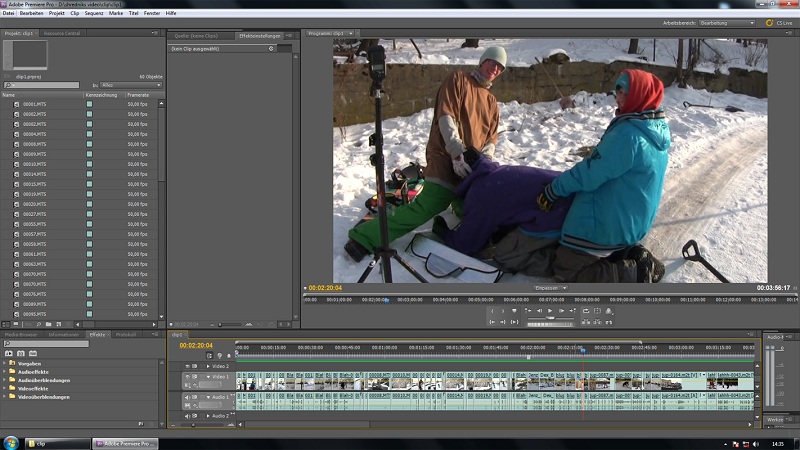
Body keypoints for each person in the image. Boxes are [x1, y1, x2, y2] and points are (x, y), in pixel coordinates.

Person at [344, 46, 508, 262]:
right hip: (445, 156)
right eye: (492, 62)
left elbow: (490, 141)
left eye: (500, 67)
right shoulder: (459, 80)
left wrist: (482, 163)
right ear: (482, 61)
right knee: (430, 205)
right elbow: (446, 117)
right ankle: (364, 237)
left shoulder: (492, 102)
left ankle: (461, 207)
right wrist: (457, 152)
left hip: (470, 168)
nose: (495, 69)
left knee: (478, 206)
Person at [533, 68, 670, 282]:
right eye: (618, 92)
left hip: (610, 224)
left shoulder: (628, 135)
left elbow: (590, 173)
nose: (618, 98)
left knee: (566, 268)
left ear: (639, 95)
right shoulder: (653, 130)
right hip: (632, 220)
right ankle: (628, 252)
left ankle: (635, 272)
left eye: (625, 93)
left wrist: (553, 190)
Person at [431, 148, 574, 267]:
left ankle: (564, 263)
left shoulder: (480, 195)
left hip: (560, 215)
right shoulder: (495, 173)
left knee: (504, 255)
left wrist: (444, 233)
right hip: (571, 195)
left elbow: (465, 244)